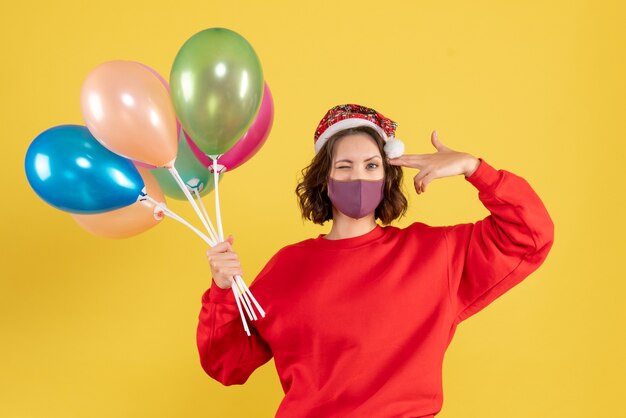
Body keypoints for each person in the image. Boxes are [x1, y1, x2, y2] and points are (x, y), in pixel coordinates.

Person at [197, 104, 555, 417]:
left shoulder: (434, 253)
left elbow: (530, 234)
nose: (359, 177)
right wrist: (222, 291)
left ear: (387, 176)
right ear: (324, 179)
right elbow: (227, 364)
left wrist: (474, 168)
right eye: (345, 166)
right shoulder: (286, 268)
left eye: (371, 166)